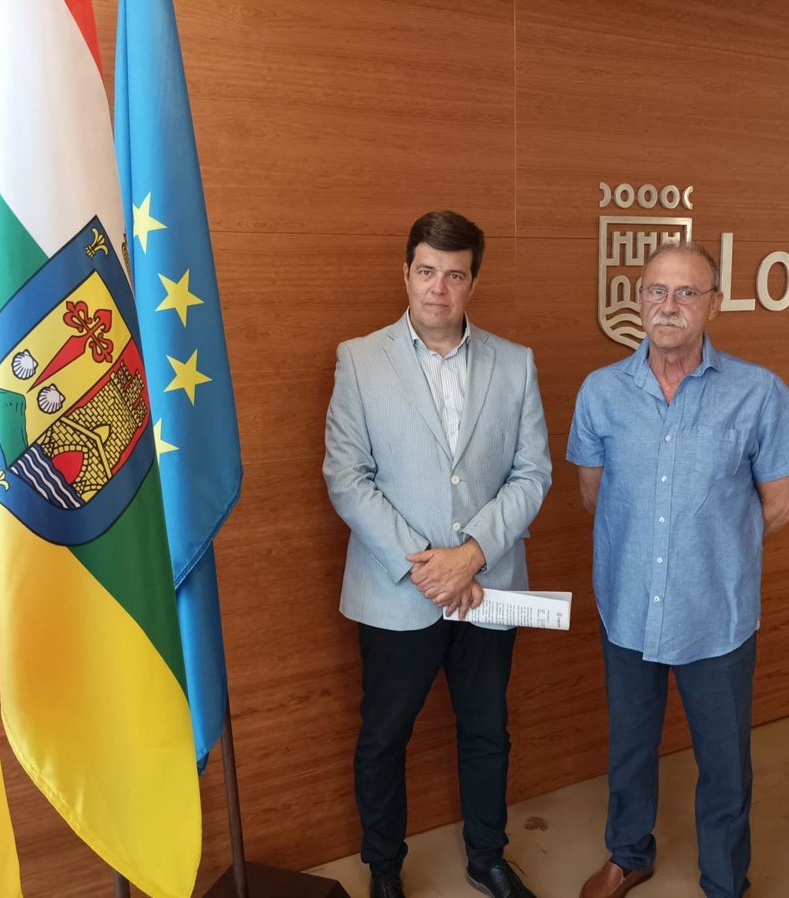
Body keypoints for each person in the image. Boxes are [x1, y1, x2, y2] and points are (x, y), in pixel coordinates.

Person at [567, 241, 789, 898]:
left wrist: (707, 551)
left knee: (725, 762)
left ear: (714, 304)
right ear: (638, 300)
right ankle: (628, 853)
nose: (669, 305)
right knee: (629, 746)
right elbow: (595, 494)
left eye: (687, 292)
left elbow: (781, 505)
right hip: (627, 605)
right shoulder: (601, 392)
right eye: (657, 290)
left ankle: (724, 881)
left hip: (716, 613)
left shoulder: (758, 392)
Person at [324, 210, 551, 898]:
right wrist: (429, 563)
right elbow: (346, 476)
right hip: (399, 590)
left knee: (487, 731)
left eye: (454, 275)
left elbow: (532, 473)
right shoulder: (360, 359)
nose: (438, 288)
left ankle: (487, 858)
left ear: (473, 282)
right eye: (426, 271)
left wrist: (472, 553)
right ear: (406, 273)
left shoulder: (515, 363)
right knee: (383, 736)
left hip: (489, 585)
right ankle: (384, 869)